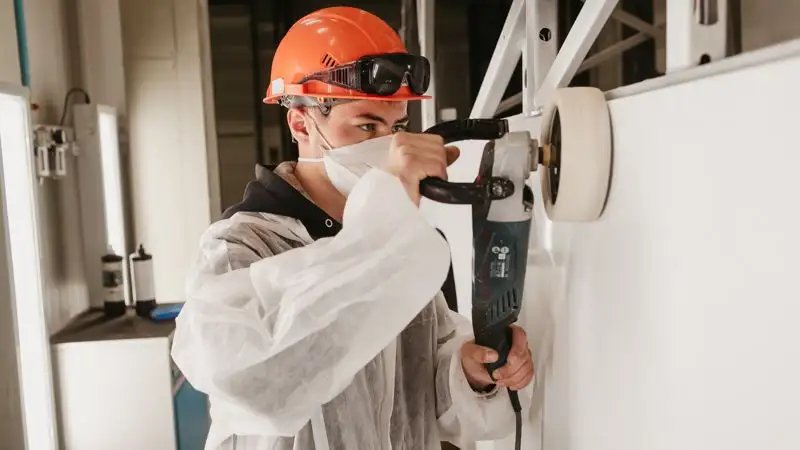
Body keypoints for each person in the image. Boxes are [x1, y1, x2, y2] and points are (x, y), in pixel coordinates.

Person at [171, 6, 535, 450]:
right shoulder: (240, 245)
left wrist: (471, 372)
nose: (385, 145)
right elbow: (245, 379)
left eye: (396, 127)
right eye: (365, 126)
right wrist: (386, 223)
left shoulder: (399, 242)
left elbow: (425, 382)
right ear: (300, 122)